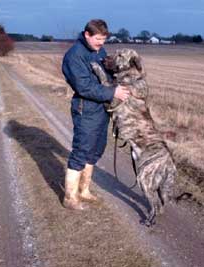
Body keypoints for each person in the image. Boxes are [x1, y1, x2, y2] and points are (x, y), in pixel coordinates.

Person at [61, 19, 129, 210]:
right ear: (87, 35)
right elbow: (84, 87)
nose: (101, 43)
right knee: (82, 150)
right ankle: (70, 198)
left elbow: (106, 76)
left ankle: (84, 190)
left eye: (104, 39)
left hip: (102, 109)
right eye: (98, 39)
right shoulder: (74, 56)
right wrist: (112, 93)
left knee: (96, 149)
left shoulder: (99, 51)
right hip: (86, 109)